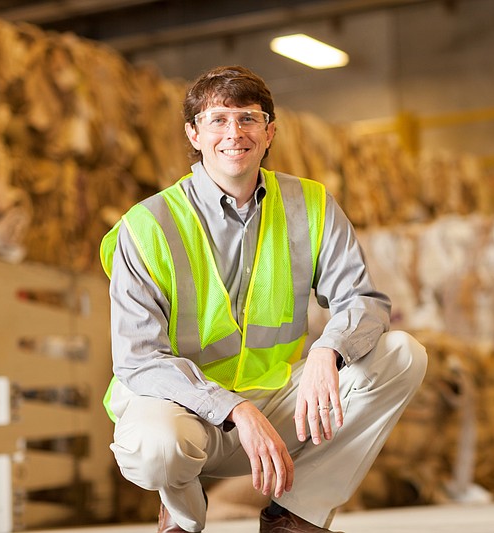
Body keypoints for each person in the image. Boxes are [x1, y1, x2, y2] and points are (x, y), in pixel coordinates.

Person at [99, 65, 427, 533]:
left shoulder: (310, 204)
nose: (234, 132)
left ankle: (294, 515)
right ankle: (182, 516)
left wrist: (327, 351)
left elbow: (363, 299)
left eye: (248, 119)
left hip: (278, 407)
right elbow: (138, 359)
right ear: (193, 134)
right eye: (218, 120)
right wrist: (233, 408)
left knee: (402, 355)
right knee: (158, 447)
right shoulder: (146, 225)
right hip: (186, 413)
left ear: (269, 132)